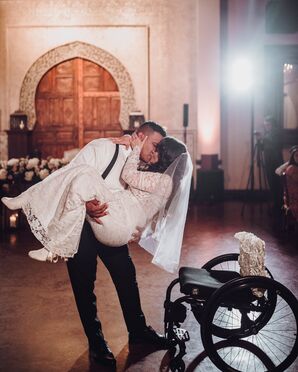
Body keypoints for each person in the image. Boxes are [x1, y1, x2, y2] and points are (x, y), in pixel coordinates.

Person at [2, 122, 192, 367]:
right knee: (83, 284)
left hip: (112, 223)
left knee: (126, 277)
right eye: (155, 145)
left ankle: (138, 332)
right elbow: (70, 178)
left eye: (159, 149)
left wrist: (141, 228)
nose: (156, 152)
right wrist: (86, 204)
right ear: (141, 137)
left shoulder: (149, 165)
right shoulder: (103, 148)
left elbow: (152, 203)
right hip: (80, 225)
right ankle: (97, 342)